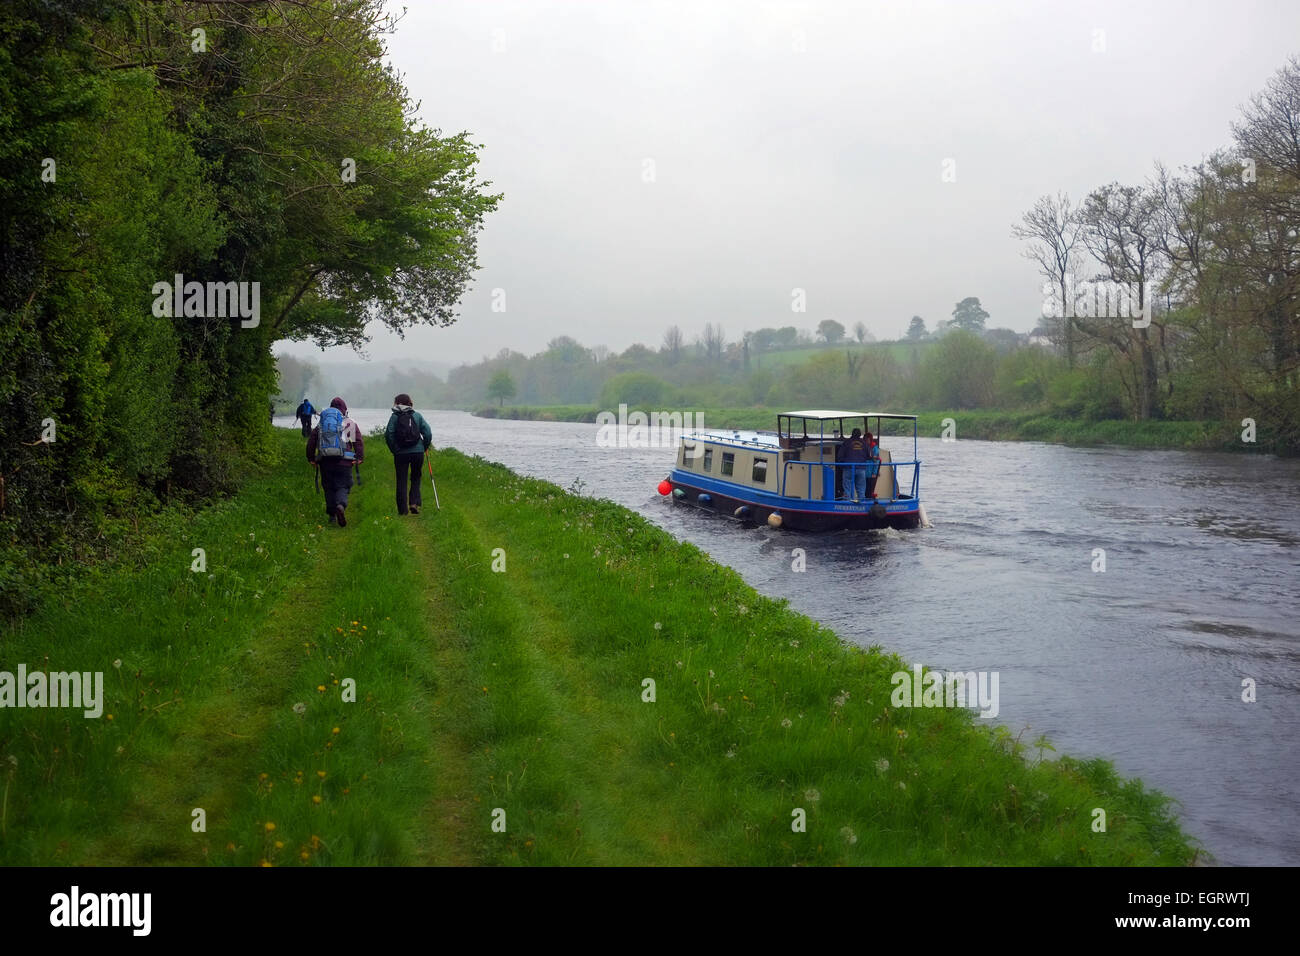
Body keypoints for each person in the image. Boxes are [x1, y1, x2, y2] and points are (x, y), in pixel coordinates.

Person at [306, 397, 364, 526]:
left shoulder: (322, 423)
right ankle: (341, 505)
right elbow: (358, 441)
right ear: (344, 409)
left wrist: (311, 458)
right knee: (343, 485)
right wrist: (359, 457)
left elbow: (312, 441)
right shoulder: (349, 422)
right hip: (345, 461)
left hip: (325, 461)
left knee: (328, 487)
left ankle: (332, 515)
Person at [385, 393, 433, 515]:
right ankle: (414, 503)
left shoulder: (395, 416)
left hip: (400, 453)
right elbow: (428, 433)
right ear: (409, 403)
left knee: (401, 480)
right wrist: (424, 447)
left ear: (397, 403)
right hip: (418, 452)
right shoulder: (417, 416)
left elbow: (389, 434)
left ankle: (403, 510)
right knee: (416, 477)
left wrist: (394, 449)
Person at [838, 427, 871, 501]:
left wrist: (842, 466)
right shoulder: (864, 443)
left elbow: (840, 456)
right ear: (860, 435)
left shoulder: (846, 442)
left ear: (852, 434)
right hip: (861, 468)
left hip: (848, 468)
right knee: (861, 489)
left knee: (847, 488)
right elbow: (869, 456)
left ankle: (847, 503)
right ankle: (862, 505)